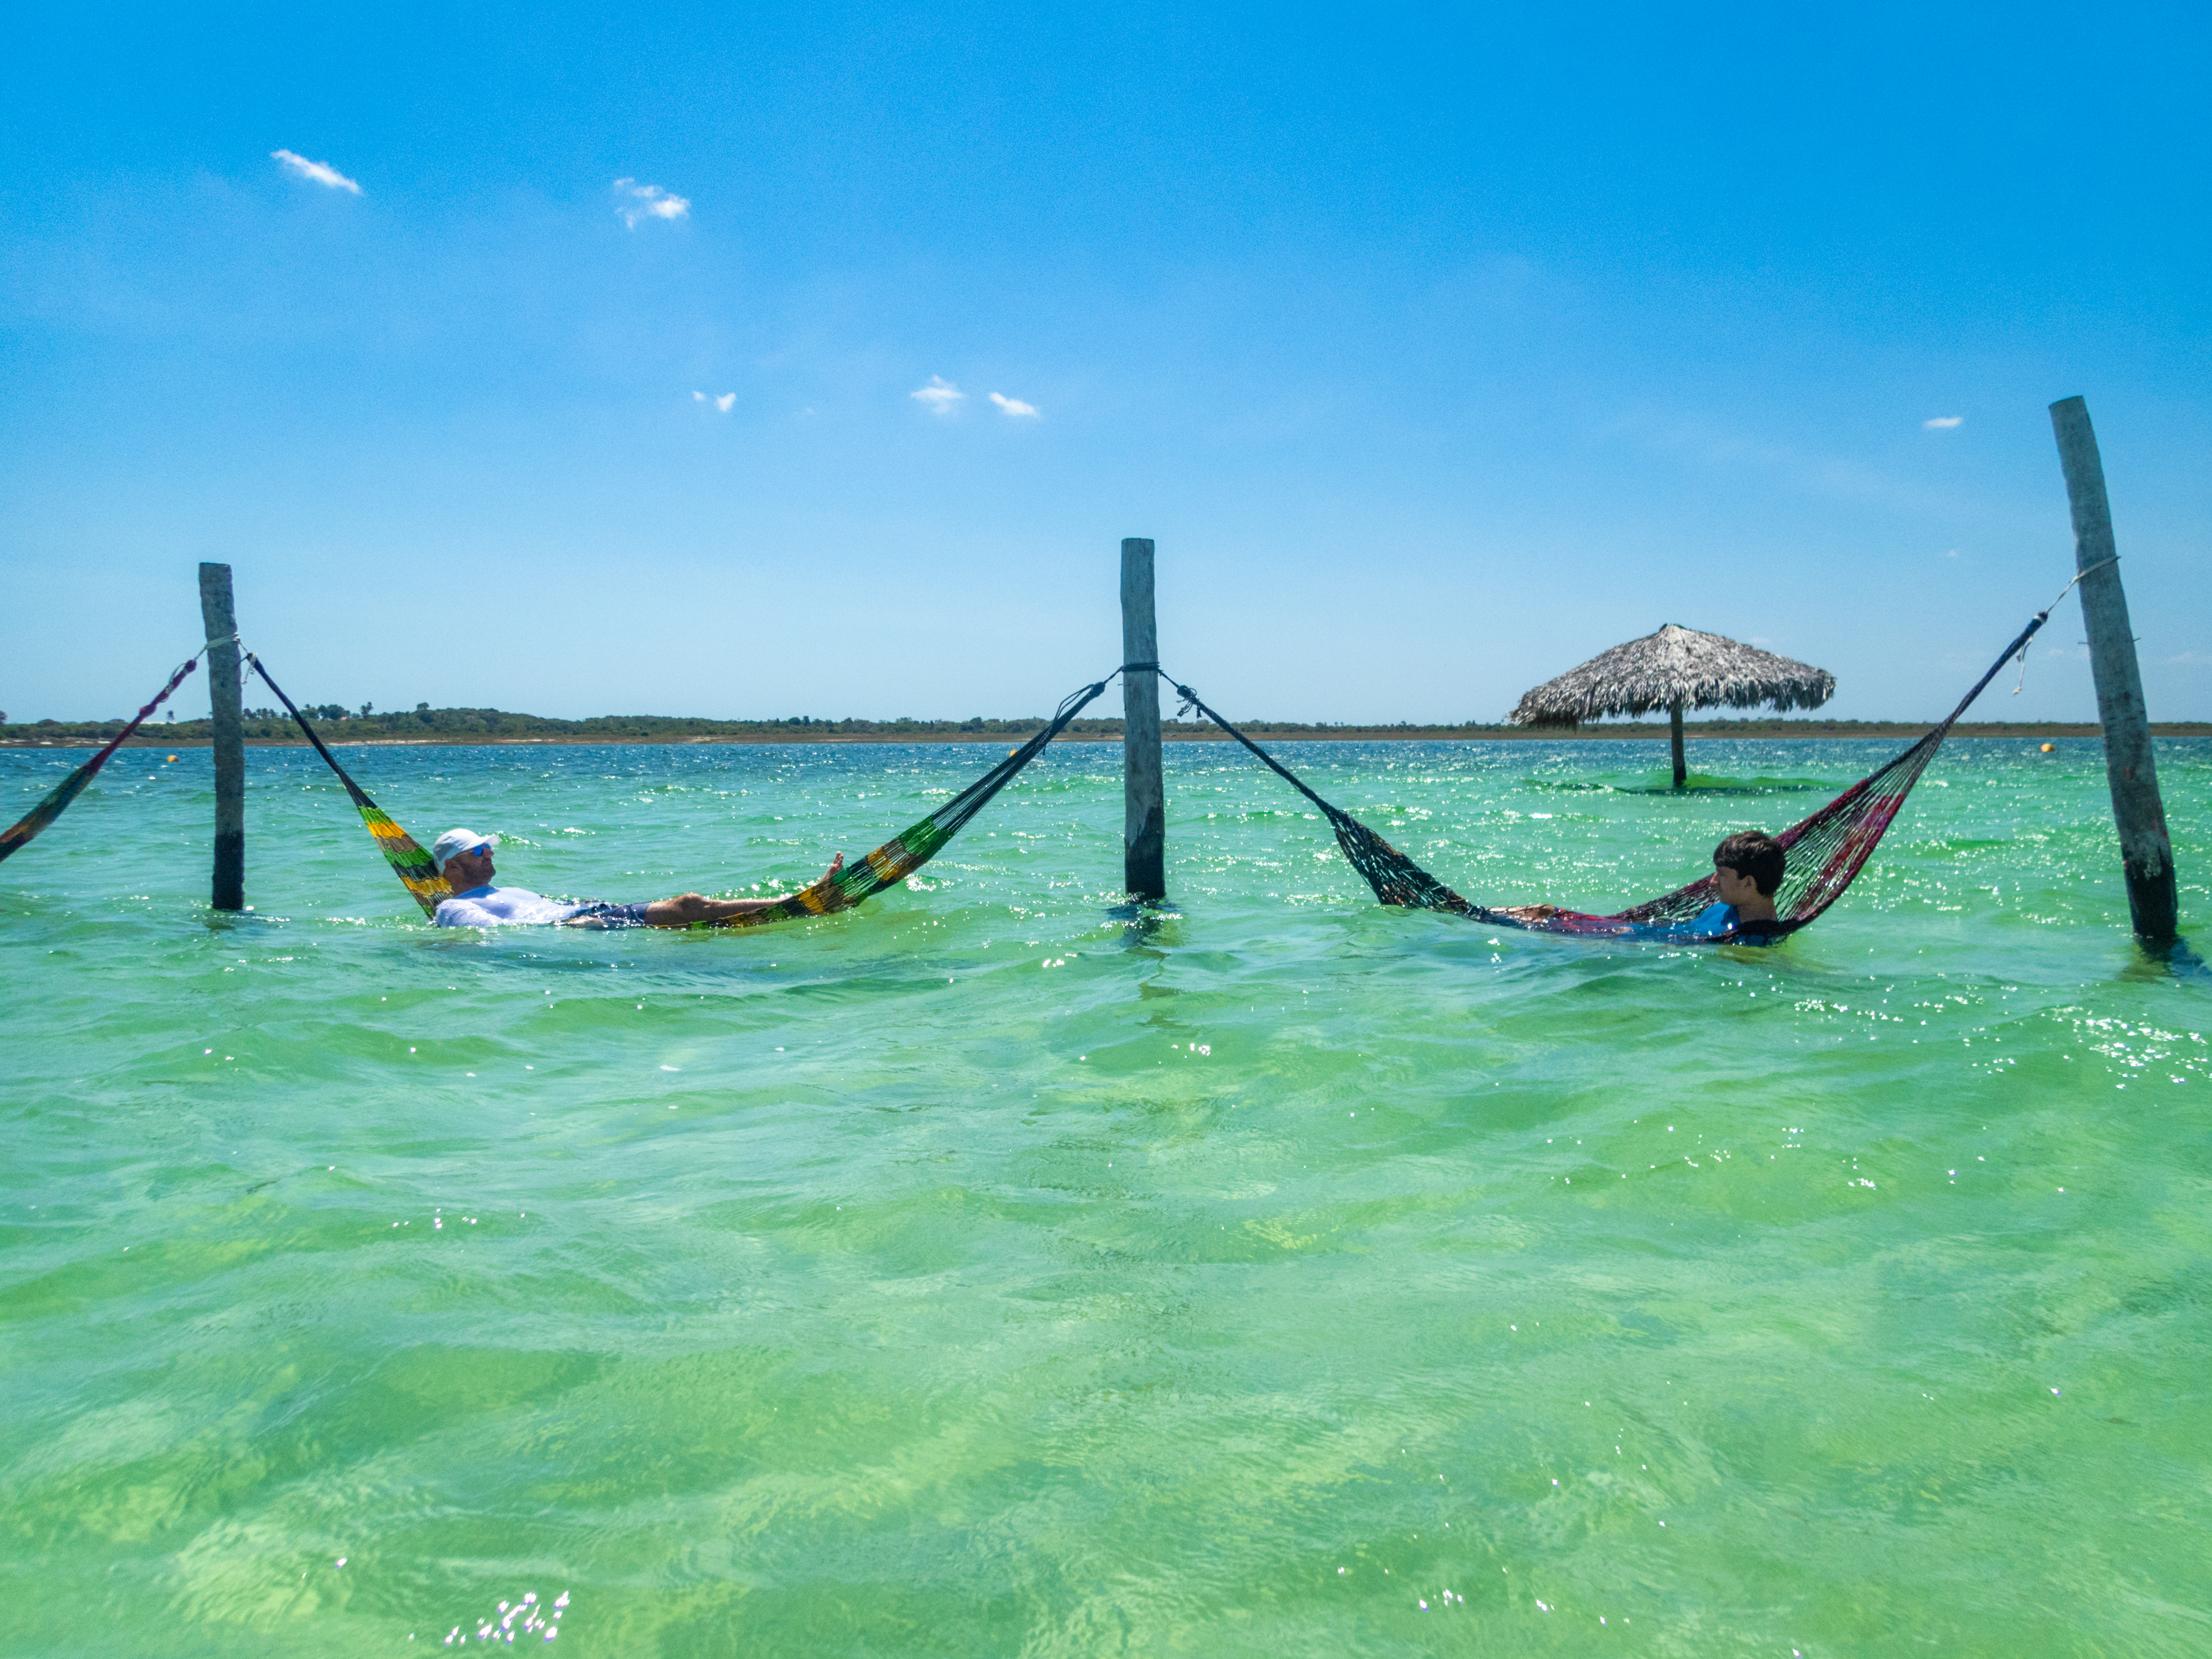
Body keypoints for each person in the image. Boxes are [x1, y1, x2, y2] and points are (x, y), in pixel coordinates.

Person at [427, 828, 846, 928]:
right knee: (690, 906)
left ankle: (804, 904)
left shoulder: (506, 888)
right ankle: (808, 900)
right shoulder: (452, 906)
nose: (490, 854)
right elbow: (493, 934)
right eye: (478, 852)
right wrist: (572, 928)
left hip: (585, 914)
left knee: (692, 919)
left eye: (489, 848)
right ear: (452, 868)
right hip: (573, 927)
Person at [1687, 829, 1787, 944]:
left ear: (1748, 882)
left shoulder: (1748, 944)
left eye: (1722, 874)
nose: (1713, 882)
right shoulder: (1730, 906)